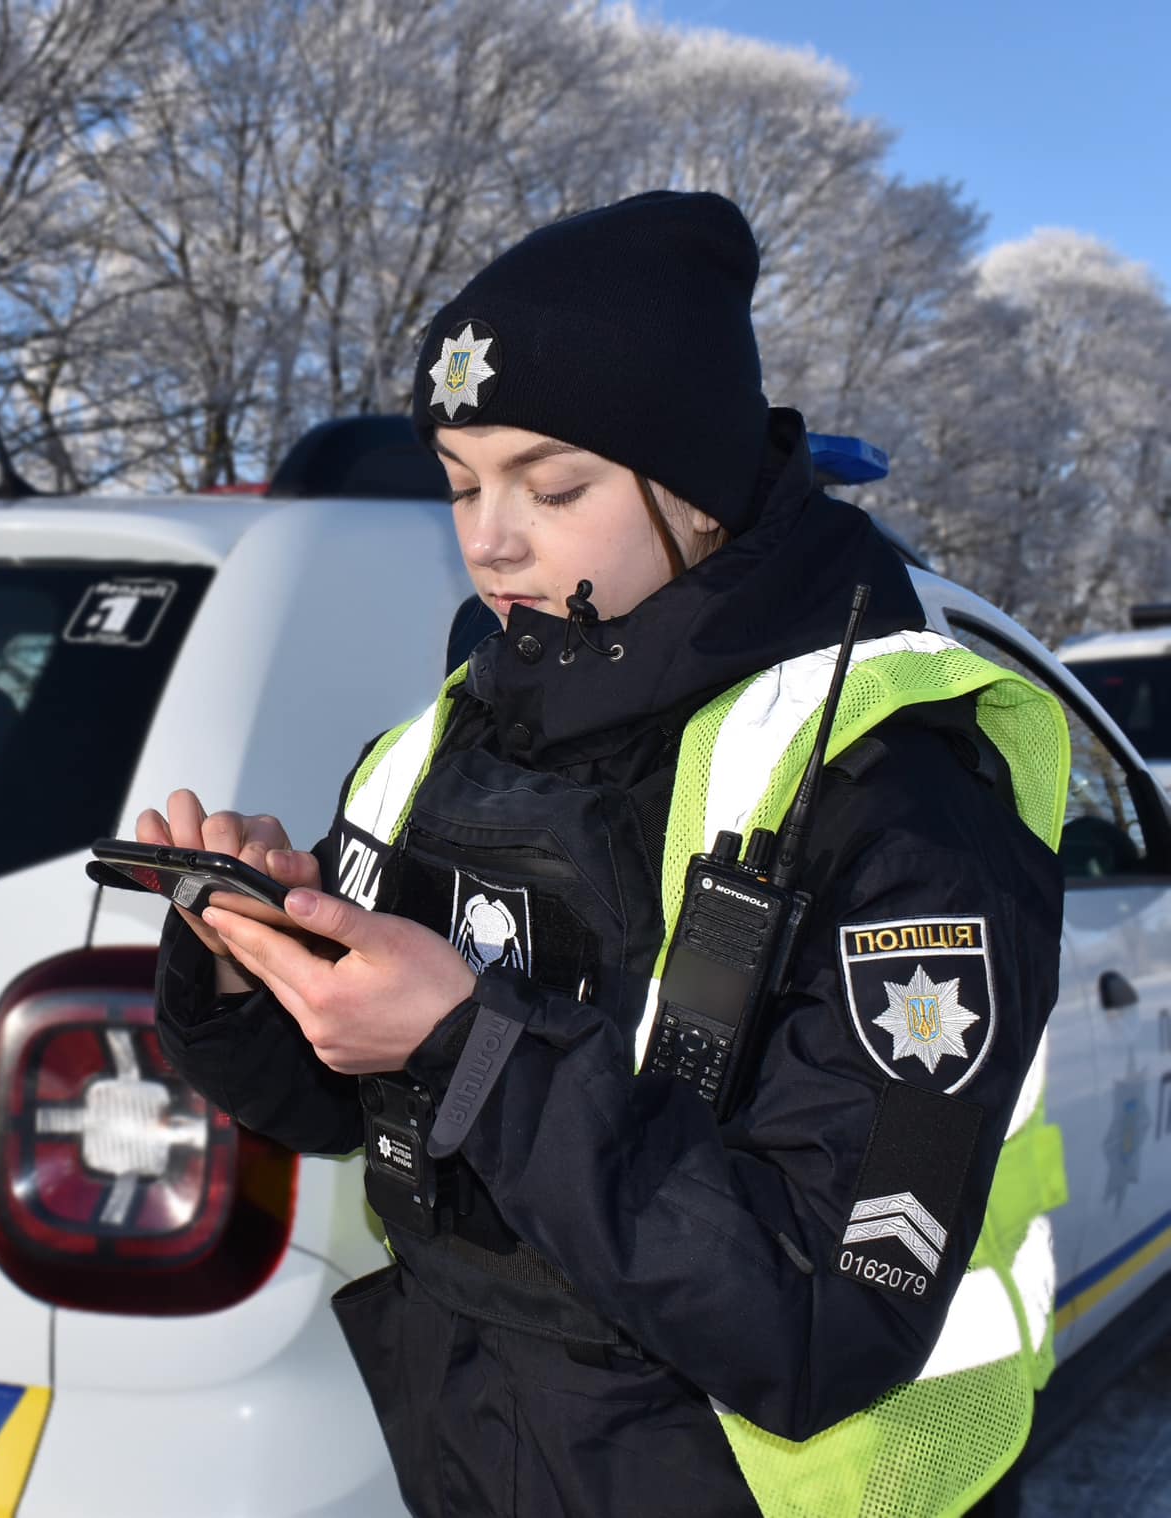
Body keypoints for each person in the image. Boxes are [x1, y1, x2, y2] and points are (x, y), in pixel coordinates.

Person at [140, 191, 1069, 1518]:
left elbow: (815, 1317)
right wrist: (252, 973)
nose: (489, 538)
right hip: (483, 1460)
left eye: (553, 485)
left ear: (691, 482)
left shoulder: (894, 794)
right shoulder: (448, 739)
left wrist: (467, 1041)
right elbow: (343, 1112)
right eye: (461, 484)